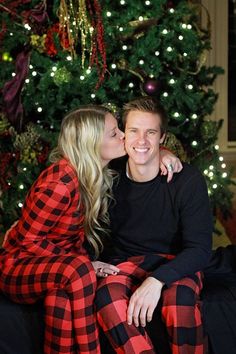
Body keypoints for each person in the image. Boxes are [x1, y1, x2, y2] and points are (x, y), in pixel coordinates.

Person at [0, 104, 180, 354]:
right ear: (91, 143)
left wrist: (165, 153)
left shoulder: (93, 171)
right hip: (19, 268)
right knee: (80, 269)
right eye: (114, 133)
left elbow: (145, 147)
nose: (124, 136)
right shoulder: (60, 183)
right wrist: (84, 263)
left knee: (60, 301)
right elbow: (28, 242)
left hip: (59, 269)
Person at [95, 97, 213, 354]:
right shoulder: (107, 175)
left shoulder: (187, 180)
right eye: (134, 131)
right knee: (107, 297)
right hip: (125, 263)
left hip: (174, 260)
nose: (141, 141)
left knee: (179, 301)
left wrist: (157, 280)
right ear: (123, 135)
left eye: (151, 132)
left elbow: (200, 249)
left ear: (162, 137)